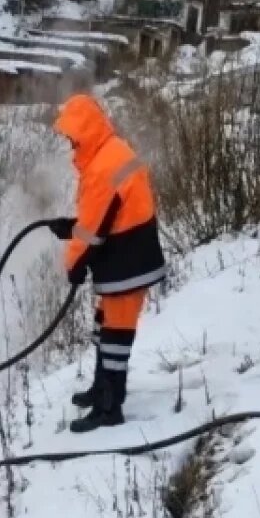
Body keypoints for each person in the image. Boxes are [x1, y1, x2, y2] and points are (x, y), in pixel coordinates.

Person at [46, 93, 166, 433]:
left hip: (126, 262)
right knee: (106, 327)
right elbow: (107, 215)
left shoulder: (102, 167)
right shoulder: (113, 151)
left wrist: (74, 263)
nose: (70, 145)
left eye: (72, 138)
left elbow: (92, 230)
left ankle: (109, 408)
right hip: (128, 254)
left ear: (84, 132)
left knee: (115, 336)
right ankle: (103, 389)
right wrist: (69, 227)